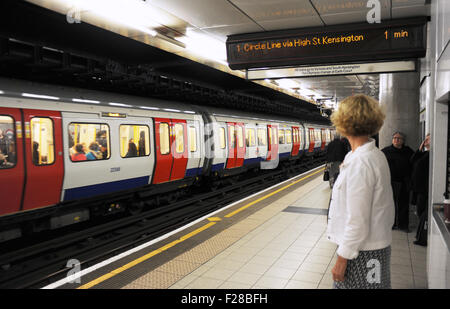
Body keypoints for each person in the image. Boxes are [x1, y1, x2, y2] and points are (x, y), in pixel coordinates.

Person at [327, 94, 395, 289]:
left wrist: (342, 258)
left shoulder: (360, 162)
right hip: (373, 249)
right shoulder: (373, 155)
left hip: (362, 254)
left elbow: (358, 219)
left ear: (344, 122)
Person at [381, 132, 414, 231]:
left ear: (403, 141)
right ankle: (392, 223)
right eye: (395, 138)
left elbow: (414, 162)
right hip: (390, 181)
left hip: (404, 181)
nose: (396, 140)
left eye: (399, 138)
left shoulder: (408, 151)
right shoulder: (385, 151)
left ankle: (403, 225)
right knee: (391, 204)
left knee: (403, 204)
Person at [410, 134, 430, 246]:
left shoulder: (431, 154)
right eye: (425, 139)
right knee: (419, 211)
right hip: (418, 188)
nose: (425, 140)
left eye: (428, 139)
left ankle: (423, 236)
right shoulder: (424, 153)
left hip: (424, 189)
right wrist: (419, 149)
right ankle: (421, 234)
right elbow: (412, 160)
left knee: (422, 212)